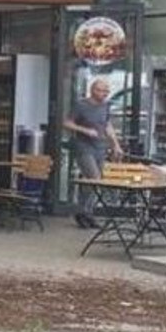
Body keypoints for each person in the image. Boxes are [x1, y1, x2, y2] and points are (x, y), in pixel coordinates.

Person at [65, 78, 125, 228]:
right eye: (102, 91)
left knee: (92, 182)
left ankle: (85, 212)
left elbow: (107, 126)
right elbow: (67, 123)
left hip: (100, 147)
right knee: (94, 177)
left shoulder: (105, 106)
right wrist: (85, 130)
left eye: (107, 91)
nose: (105, 94)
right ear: (93, 90)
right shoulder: (81, 105)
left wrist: (116, 145)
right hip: (84, 146)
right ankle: (85, 212)